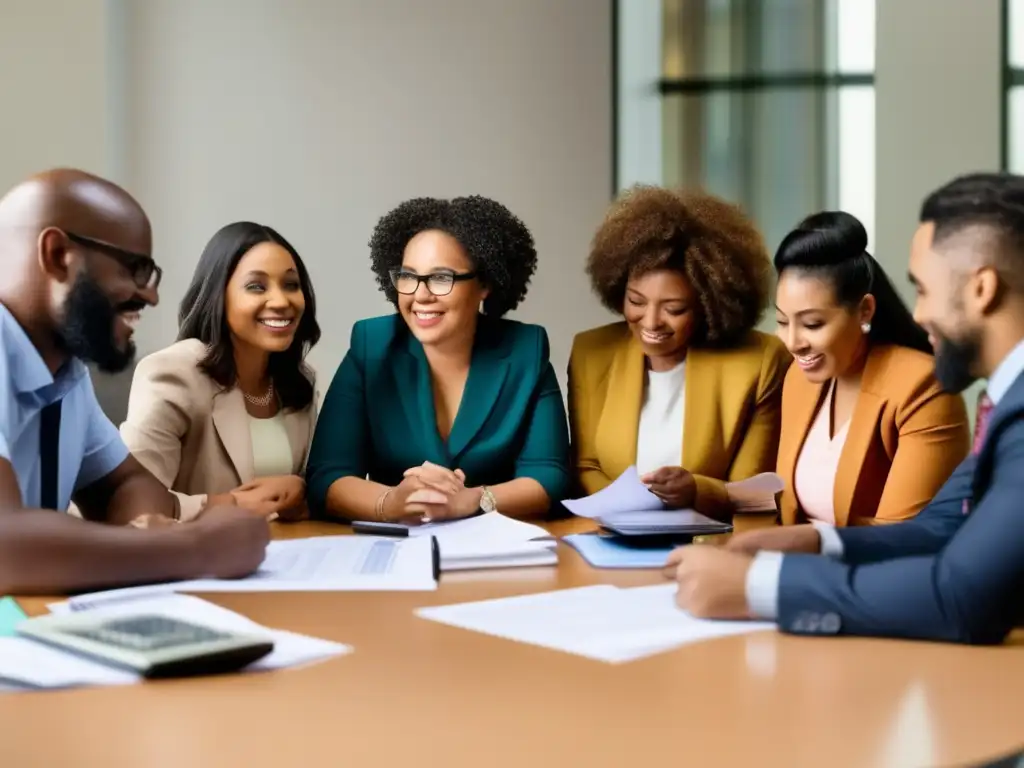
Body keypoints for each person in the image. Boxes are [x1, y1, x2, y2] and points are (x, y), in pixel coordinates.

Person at [665, 172, 1024, 644]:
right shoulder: (1007, 402)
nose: (916, 314)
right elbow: (940, 526)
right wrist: (815, 541)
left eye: (924, 289)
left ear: (981, 289)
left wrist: (759, 587)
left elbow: (960, 596)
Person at [0, 169, 268, 595]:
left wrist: (149, 536)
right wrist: (193, 547)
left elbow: (126, 484)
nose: (151, 295)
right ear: (57, 254)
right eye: (136, 269)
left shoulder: (65, 374)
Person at [306, 196, 571, 523]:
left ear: (485, 283)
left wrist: (475, 499)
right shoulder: (370, 346)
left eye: (441, 278)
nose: (420, 295)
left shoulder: (525, 350)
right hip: (397, 549)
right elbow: (327, 474)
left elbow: (550, 475)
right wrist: (390, 502)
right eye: (407, 276)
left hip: (494, 551)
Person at [568, 186, 790, 521]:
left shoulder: (758, 362)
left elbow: (752, 492)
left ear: (708, 304)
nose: (651, 321)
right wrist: (632, 510)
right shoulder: (591, 353)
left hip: (713, 545)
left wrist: (696, 490)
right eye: (636, 301)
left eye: (674, 308)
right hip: (613, 538)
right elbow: (586, 466)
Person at [773, 211, 969, 527]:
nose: (793, 342)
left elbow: (900, 538)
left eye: (812, 324)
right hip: (800, 566)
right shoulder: (799, 379)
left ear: (865, 310)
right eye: (782, 321)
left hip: (876, 572)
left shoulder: (924, 387)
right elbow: (784, 512)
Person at [120, 222, 321, 521]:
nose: (281, 301)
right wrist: (229, 505)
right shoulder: (172, 374)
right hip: (191, 562)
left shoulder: (299, 380)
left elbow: (304, 493)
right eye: (256, 286)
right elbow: (130, 504)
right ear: (218, 295)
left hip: (280, 556)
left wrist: (299, 489)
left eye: (291, 285)